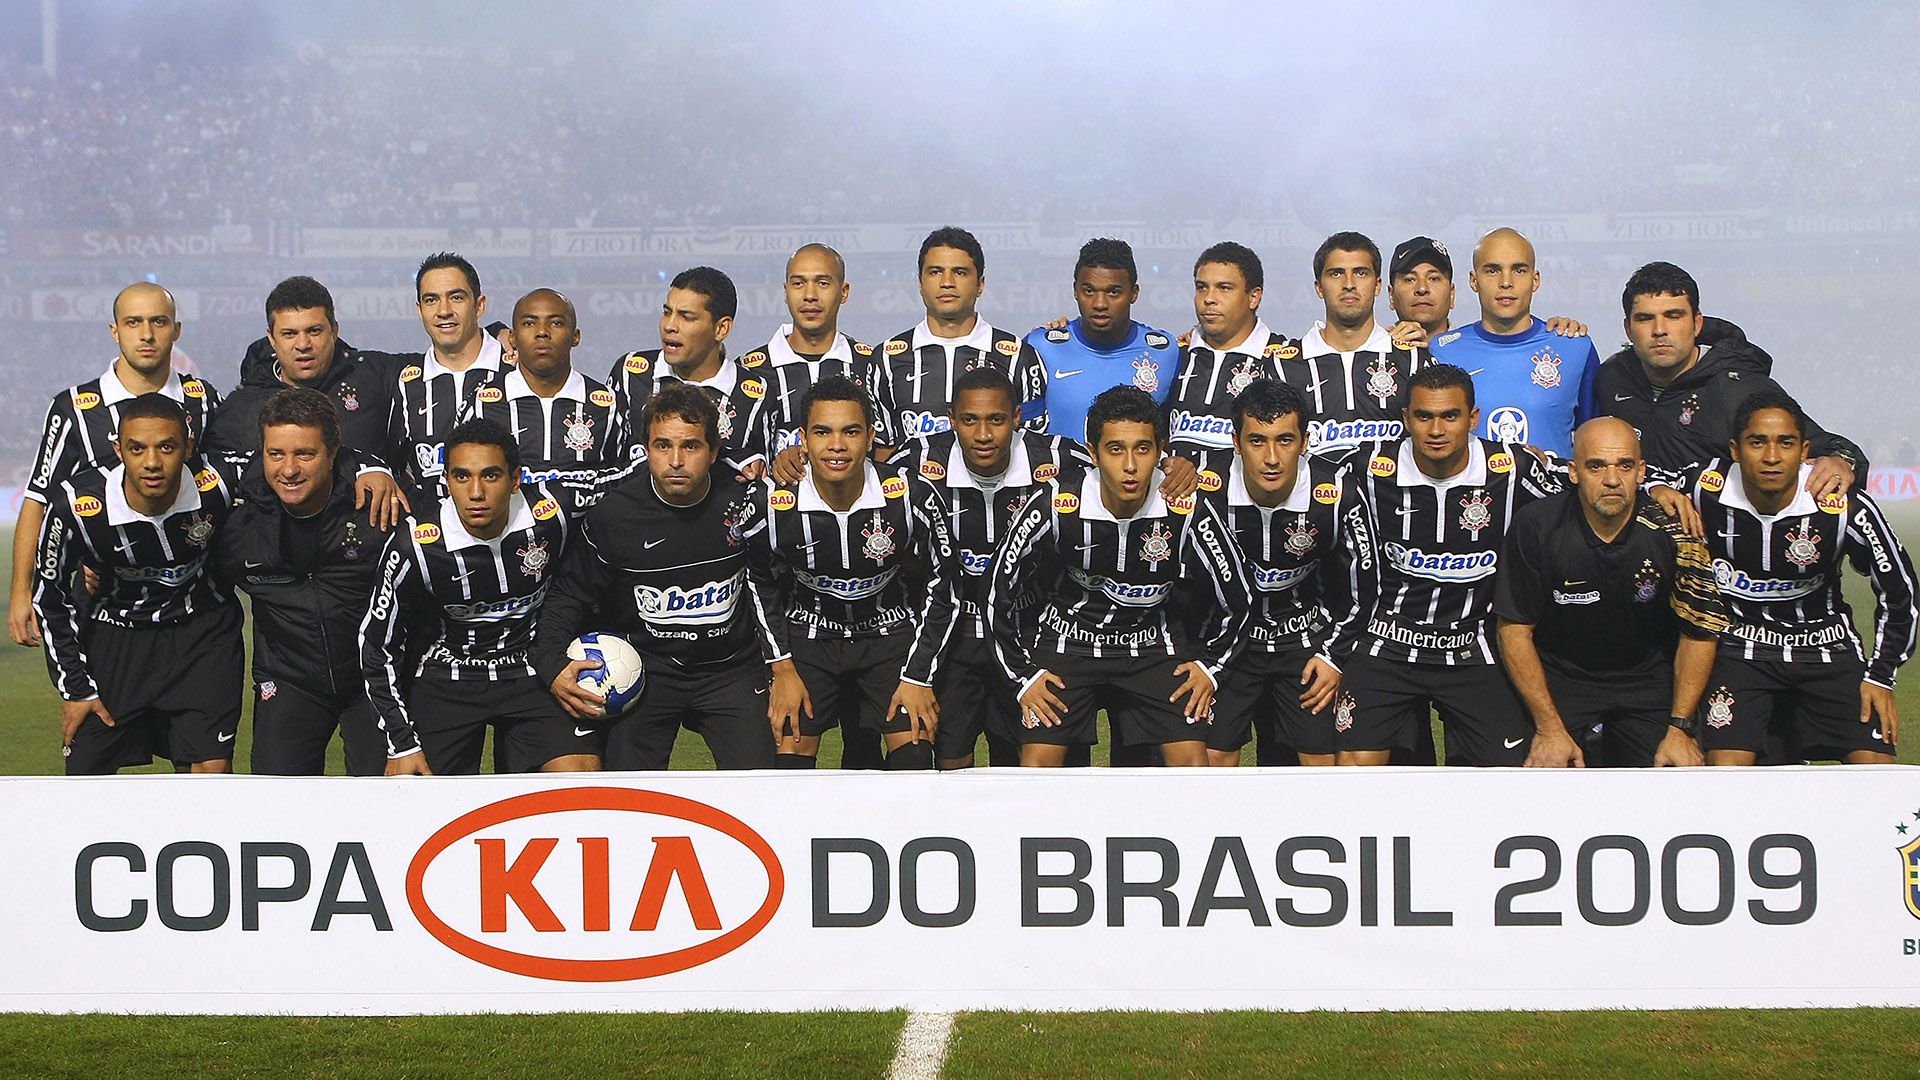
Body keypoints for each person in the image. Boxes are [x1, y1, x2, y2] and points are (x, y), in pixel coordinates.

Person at [989, 386, 1250, 767]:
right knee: (1037, 769)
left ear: (1161, 450)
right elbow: (998, 588)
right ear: (1093, 453)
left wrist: (1211, 667)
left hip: (1153, 647)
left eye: (1143, 449)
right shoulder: (1058, 503)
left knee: (1195, 767)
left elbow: (1237, 597)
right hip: (1069, 642)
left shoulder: (1187, 510)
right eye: (1115, 449)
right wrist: (1023, 675)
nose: (1130, 465)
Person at [1334, 364, 1569, 766]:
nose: (1437, 430)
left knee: (1513, 770)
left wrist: (1656, 490)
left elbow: (1590, 485)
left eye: (1450, 416)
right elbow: (1298, 479)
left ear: (1473, 418)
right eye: (1424, 416)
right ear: (1406, 418)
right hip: (1386, 643)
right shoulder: (1367, 468)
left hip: (1471, 646)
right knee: (1354, 769)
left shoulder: (1513, 469)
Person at [536, 385, 781, 771]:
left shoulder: (743, 501)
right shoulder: (615, 516)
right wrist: (551, 665)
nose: (676, 461)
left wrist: (781, 668)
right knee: (627, 790)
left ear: (714, 452)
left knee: (763, 781)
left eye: (691, 447)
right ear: (646, 449)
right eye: (662, 446)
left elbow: (772, 584)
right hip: (649, 670)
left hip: (730, 670)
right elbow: (569, 596)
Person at [1679, 390, 1915, 765]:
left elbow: (1900, 592)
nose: (1772, 457)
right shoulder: (1704, 487)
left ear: (1804, 451)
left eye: (1785, 443)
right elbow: (1645, 480)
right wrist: (1659, 490)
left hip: (1828, 649)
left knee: (1877, 774)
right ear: (1735, 450)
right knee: (1724, 777)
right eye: (1757, 443)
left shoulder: (1842, 505)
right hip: (1742, 649)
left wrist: (1881, 676)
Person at [360, 418, 598, 775]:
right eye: (461, 477)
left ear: (515, 480)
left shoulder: (554, 512)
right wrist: (401, 743)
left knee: (578, 779)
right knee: (415, 795)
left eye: (490, 476)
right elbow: (376, 644)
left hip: (531, 672)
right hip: (447, 677)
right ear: (446, 481)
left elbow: (622, 485)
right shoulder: (417, 545)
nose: (475, 493)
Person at [1494, 418, 1726, 768]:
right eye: (1596, 466)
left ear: (1642, 472)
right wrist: (1549, 728)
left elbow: (1698, 633)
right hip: (1562, 677)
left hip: (1648, 679)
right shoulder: (1537, 525)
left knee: (1679, 781)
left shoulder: (1675, 530)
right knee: (1534, 778)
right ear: (1574, 472)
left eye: (1625, 466)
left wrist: (1680, 728)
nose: (1613, 479)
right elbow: (1514, 631)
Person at [31, 393, 242, 774]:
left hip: (203, 637)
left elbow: (290, 469)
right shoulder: (74, 504)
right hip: (115, 640)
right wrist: (75, 688)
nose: (152, 463)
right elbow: (49, 596)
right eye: (137, 448)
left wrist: (367, 470)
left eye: (166, 447)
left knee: (211, 777)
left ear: (189, 446)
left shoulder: (222, 482)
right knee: (85, 778)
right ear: (118, 449)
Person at [755, 376, 959, 770]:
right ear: (803, 438)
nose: (836, 445)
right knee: (788, 761)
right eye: (822, 432)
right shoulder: (773, 502)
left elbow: (945, 582)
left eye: (851, 431)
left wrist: (918, 677)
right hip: (809, 638)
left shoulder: (910, 495)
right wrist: (780, 667)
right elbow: (754, 577)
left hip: (888, 633)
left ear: (870, 437)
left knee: (916, 754)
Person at [891, 367, 1086, 769]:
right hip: (953, 638)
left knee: (1034, 763)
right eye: (969, 420)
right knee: (949, 760)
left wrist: (1175, 472)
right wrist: (793, 460)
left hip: (1027, 635)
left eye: (996, 420)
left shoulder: (1059, 458)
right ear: (951, 418)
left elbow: (1124, 474)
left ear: (1017, 417)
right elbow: (861, 481)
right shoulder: (917, 461)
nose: (983, 435)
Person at [11, 282, 220, 648]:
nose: (146, 334)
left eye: (158, 321)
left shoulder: (202, 399)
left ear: (176, 329)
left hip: (192, 605)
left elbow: (220, 487)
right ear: (115, 331)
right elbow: (38, 499)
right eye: (133, 322)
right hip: (106, 605)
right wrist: (20, 591)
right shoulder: (75, 409)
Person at [214, 388, 392, 775]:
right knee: (278, 811)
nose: (289, 469)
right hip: (289, 681)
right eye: (275, 454)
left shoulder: (377, 510)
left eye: (304, 454)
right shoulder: (238, 523)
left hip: (373, 682)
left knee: (385, 804)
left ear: (332, 453)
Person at [1191, 379, 1362, 767]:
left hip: (1302, 641)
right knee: (1210, 761)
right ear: (1235, 443)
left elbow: (1364, 590)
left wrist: (1333, 657)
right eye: (1257, 441)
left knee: (1323, 766)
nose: (1271, 458)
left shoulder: (1337, 491)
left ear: (1305, 442)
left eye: (1285, 441)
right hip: (1225, 645)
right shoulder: (1202, 490)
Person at [1595, 261, 1865, 497]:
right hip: (1638, 547)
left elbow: (1834, 449)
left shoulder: (1740, 389)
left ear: (1697, 324)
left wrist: (1841, 461)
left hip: (1716, 549)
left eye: (1673, 316)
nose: (1660, 330)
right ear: (1628, 329)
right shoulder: (1612, 379)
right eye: (1645, 319)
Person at [202, 276, 412, 522]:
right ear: (271, 339)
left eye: (314, 331)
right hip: (273, 551)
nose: (303, 344)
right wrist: (365, 465)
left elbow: (450, 364)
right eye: (289, 333)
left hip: (367, 548)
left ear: (334, 330)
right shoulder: (239, 409)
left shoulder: (376, 375)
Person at [1429, 228, 1599, 457]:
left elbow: (1597, 442)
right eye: (1492, 270)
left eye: (1519, 270)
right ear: (1474, 280)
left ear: (1535, 279)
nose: (1506, 282)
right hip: (1474, 493)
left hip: (1554, 493)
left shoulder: (1575, 347)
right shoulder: (1441, 351)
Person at [870, 226, 1045, 447]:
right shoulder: (886, 359)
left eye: (960, 272)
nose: (947, 282)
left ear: (980, 284)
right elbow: (882, 451)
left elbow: (1034, 447)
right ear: (920, 283)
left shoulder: (1019, 357)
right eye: (935, 272)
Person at [1276, 232, 1429, 460]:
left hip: (1392, 495)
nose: (1349, 284)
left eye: (1360, 273)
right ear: (1319, 287)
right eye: (1336, 273)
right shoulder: (1282, 366)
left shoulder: (1414, 360)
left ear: (1377, 285)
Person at [607, 266, 767, 474]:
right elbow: (608, 465)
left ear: (721, 329)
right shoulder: (630, 374)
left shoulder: (756, 395)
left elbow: (763, 474)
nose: (669, 326)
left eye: (686, 317)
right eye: (667, 313)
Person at [1023, 238, 1182, 444]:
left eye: (1113, 292)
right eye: (1088, 291)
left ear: (1134, 293)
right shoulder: (1040, 347)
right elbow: (1020, 431)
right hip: (1058, 475)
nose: (1099, 304)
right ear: (1075, 290)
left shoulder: (1166, 352)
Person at [749, 244, 883, 465]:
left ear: (844, 292)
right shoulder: (751, 372)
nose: (810, 295)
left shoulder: (870, 365)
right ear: (786, 292)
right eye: (799, 283)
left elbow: (884, 449)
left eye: (822, 283)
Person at [478, 288, 626, 483]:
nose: (542, 332)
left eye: (556, 323)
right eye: (529, 323)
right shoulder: (481, 403)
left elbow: (628, 479)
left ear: (576, 337)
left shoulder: (609, 405)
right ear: (512, 337)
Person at [396, 252, 510, 496]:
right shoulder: (403, 384)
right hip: (432, 532)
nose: (443, 310)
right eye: (431, 300)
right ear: (419, 309)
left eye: (456, 297)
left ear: (479, 305)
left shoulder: (517, 368)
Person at [1166, 241, 1296, 454]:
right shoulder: (1174, 357)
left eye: (1224, 288)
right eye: (1201, 287)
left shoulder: (1286, 362)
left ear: (1254, 297)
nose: (1208, 299)